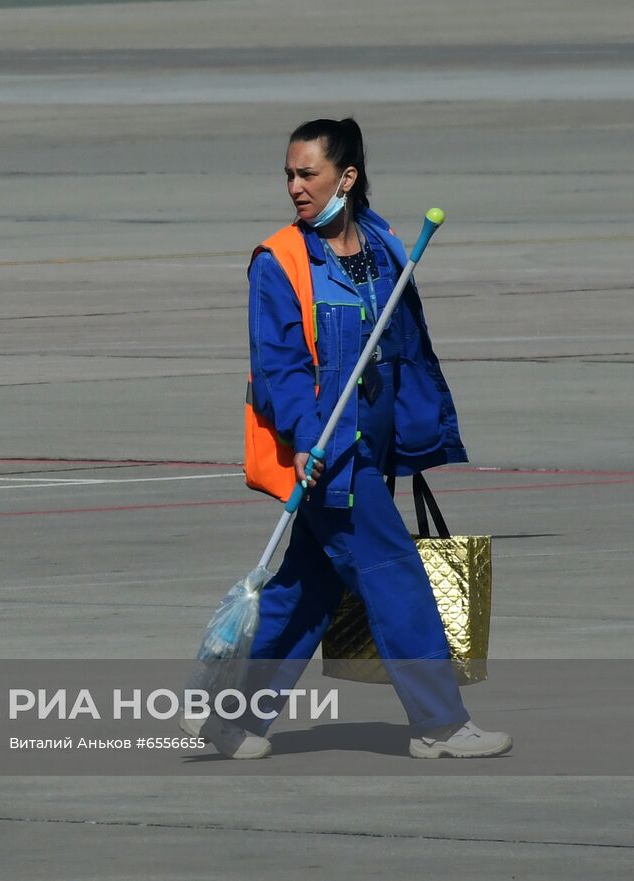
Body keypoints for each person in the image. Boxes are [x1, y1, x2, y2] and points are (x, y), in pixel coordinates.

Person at [187, 118, 510, 760]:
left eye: (308, 173)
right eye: (290, 175)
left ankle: (231, 718)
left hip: (373, 450)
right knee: (397, 578)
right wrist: (309, 441)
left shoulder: (386, 243)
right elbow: (279, 368)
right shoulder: (279, 262)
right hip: (329, 457)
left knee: (306, 589)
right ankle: (440, 723)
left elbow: (406, 351)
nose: (295, 187)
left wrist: (416, 434)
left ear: (348, 176)